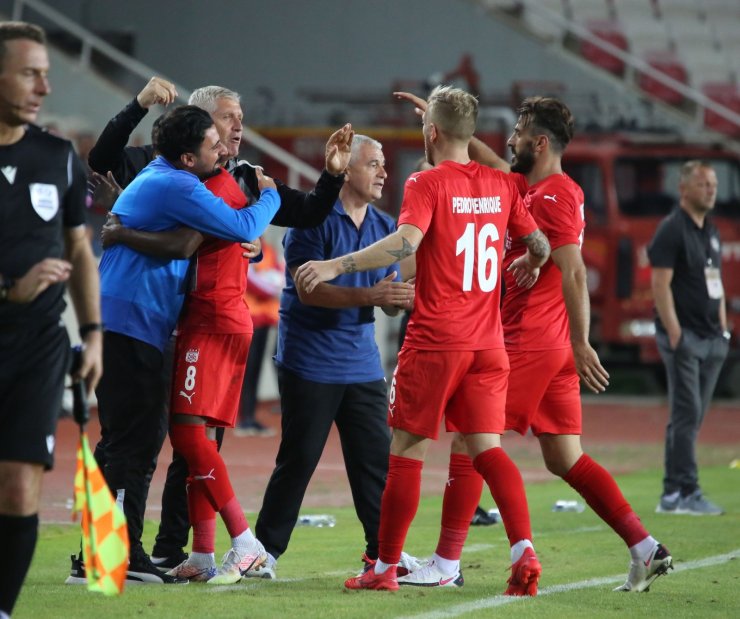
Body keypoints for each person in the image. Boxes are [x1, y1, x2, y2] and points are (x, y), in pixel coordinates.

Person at [393, 90, 673, 593]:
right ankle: (644, 546)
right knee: (564, 458)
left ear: (539, 143)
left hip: (530, 341)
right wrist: (446, 127)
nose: (511, 143)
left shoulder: (555, 196)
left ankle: (447, 561)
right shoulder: (535, 187)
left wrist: (583, 340)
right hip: (551, 345)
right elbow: (498, 168)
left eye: (520, 136)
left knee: (470, 439)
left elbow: (574, 270)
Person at [70, 79, 350, 578]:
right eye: (224, 121)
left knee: (173, 438)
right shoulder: (187, 176)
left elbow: (211, 235)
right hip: (165, 319)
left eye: (238, 119)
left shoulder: (225, 177)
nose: (234, 131)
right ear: (193, 136)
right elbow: (189, 230)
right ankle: (131, 552)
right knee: (154, 438)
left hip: (187, 321)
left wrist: (324, 181)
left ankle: (162, 549)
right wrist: (255, 215)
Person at [295, 86, 551, 594]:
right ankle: (519, 547)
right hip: (488, 345)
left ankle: (386, 568)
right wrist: (532, 261)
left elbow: (406, 242)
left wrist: (334, 264)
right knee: (486, 450)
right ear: (471, 133)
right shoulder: (502, 184)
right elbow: (539, 243)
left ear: (430, 132)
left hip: (436, 341)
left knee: (406, 451)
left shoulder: (425, 181)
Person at [91, 104, 281, 584]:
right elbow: (233, 230)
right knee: (139, 443)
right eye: (214, 141)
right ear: (189, 156)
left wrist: (122, 224)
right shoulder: (184, 186)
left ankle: (124, 552)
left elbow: (185, 243)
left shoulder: (178, 179)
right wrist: (270, 198)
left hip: (155, 319)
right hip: (144, 318)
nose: (225, 145)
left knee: (145, 440)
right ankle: (117, 555)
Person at [248, 135, 416, 580]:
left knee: (375, 461)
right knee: (299, 459)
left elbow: (393, 283)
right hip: (311, 359)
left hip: (361, 362)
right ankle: (264, 552)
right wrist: (373, 294)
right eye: (374, 164)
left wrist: (397, 297)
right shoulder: (313, 220)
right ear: (347, 171)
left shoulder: (385, 228)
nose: (383, 172)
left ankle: (383, 555)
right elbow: (307, 291)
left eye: (383, 164)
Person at [0, 22, 102, 616]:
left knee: (18, 486)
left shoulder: (57, 155)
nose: (44, 85)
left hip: (38, 342)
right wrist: (8, 289)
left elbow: (79, 247)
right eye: (29, 72)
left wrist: (92, 335)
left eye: (46, 72)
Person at [649, 160, 729, 516]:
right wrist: (675, 333)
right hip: (686, 337)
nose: (711, 189)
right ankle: (687, 491)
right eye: (703, 184)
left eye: (713, 183)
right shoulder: (671, 229)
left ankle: (671, 493)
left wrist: (724, 328)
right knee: (687, 413)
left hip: (712, 336)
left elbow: (717, 282)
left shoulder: (710, 230)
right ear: (684, 189)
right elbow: (659, 284)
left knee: (689, 417)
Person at [234, 236, 284, 437]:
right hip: (248, 316)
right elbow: (250, 278)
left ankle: (250, 417)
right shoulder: (242, 241)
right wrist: (272, 286)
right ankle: (243, 418)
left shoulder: (267, 246)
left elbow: (279, 274)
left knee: (254, 369)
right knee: (247, 369)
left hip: (264, 317)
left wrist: (274, 284)